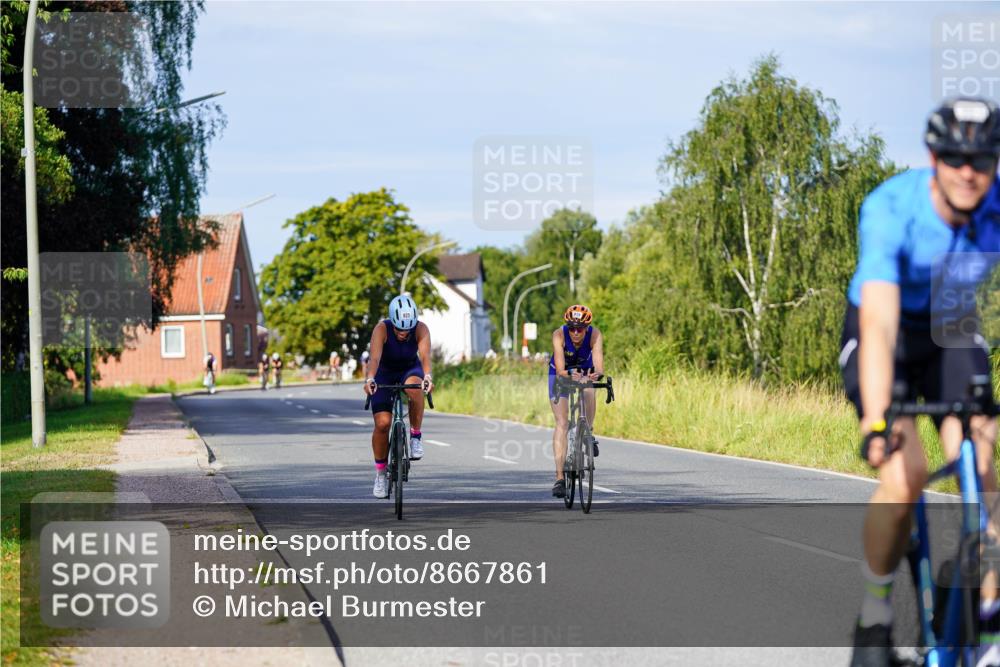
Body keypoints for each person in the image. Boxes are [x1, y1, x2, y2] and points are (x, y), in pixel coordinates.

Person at [842, 97, 1000, 667]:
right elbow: (880, 325)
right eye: (954, 157)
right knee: (903, 474)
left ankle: (986, 631)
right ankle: (876, 610)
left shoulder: (996, 207)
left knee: (984, 474)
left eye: (981, 160)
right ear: (933, 158)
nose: (967, 171)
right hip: (886, 331)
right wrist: (878, 417)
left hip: (953, 327)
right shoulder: (891, 208)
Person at [362, 295, 434, 498]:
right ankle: (380, 474)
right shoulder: (381, 329)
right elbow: (374, 358)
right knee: (383, 424)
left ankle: (416, 436)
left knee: (415, 387)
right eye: (399, 329)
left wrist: (427, 377)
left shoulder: (421, 329)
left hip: (409, 369)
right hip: (384, 372)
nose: (404, 333)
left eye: (407, 329)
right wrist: (370, 380)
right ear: (392, 322)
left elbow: (426, 357)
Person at [548, 304, 605, 499]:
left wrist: (595, 376)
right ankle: (559, 478)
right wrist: (571, 375)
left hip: (584, 371)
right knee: (562, 423)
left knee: (589, 390)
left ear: (587, 328)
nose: (575, 333)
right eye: (571, 328)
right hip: (560, 373)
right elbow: (562, 370)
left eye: (579, 329)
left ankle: (588, 431)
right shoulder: (559, 335)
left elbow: (598, 367)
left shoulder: (595, 335)